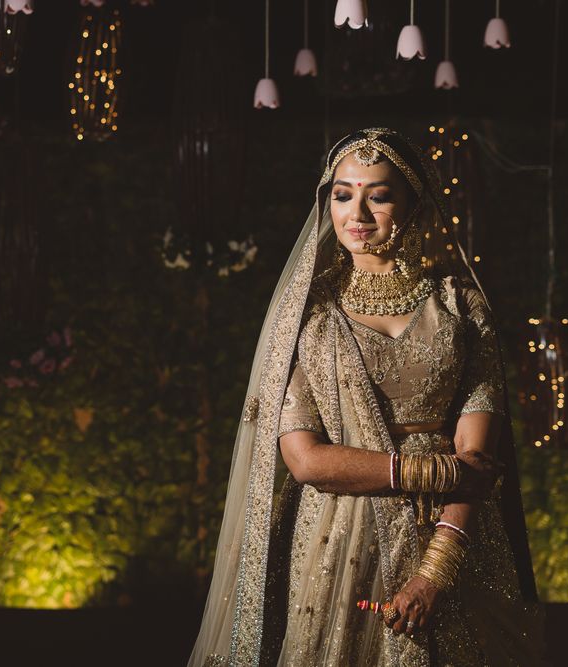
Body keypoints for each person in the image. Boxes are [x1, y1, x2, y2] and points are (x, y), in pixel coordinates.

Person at [187, 128, 546, 666]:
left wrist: (436, 570)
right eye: (342, 193)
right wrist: (439, 472)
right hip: (338, 538)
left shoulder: (461, 307)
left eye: (378, 194)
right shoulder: (308, 318)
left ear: (413, 203)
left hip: (455, 534)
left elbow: (479, 452)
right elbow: (305, 459)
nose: (357, 211)